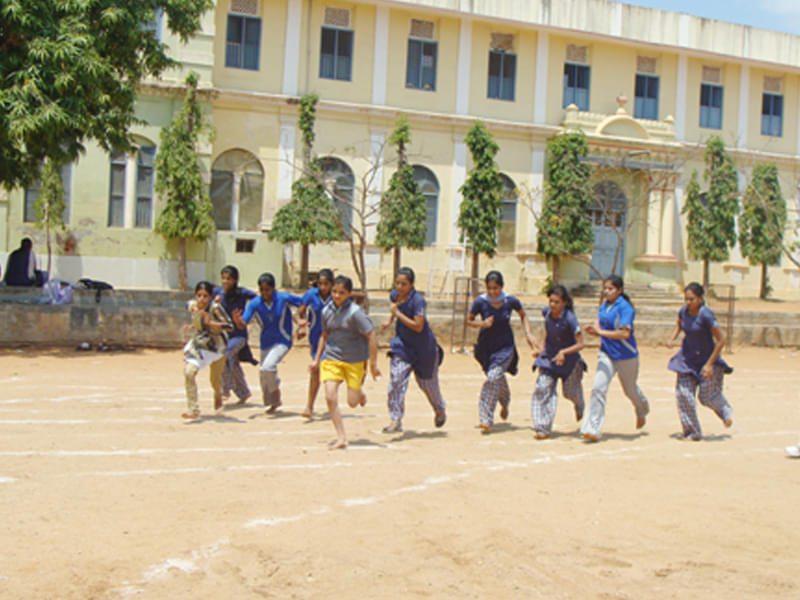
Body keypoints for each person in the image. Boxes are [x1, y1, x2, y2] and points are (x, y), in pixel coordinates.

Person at [310, 275, 380, 449]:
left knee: (352, 402)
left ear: (349, 293)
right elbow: (324, 336)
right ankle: (341, 437)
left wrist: (373, 364)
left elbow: (371, 335)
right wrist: (316, 359)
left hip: (354, 361)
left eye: (341, 292)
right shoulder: (326, 311)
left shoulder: (356, 313)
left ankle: (359, 392)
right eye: (334, 292)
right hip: (332, 358)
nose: (336, 296)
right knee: (330, 396)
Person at [581, 275, 650, 442]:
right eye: (605, 288)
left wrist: (600, 333)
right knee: (598, 388)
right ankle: (592, 428)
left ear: (619, 291)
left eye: (610, 289)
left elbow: (625, 333)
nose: (606, 292)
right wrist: (594, 328)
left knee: (630, 390)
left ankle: (641, 407)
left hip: (626, 356)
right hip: (607, 354)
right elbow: (600, 323)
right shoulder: (603, 307)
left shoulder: (625, 308)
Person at [467, 270, 536, 433]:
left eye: (496, 288)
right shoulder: (480, 302)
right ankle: (505, 401)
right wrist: (482, 324)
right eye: (489, 288)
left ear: (501, 287)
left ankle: (485, 418)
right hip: (486, 348)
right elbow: (468, 320)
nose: (492, 292)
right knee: (496, 378)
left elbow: (523, 315)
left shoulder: (509, 301)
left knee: (493, 377)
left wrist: (528, 333)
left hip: (505, 347)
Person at [379, 267, 446, 433]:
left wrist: (397, 314)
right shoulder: (394, 295)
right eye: (397, 283)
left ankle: (439, 409)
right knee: (396, 380)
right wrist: (389, 320)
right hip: (403, 346)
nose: (400, 287)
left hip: (424, 348)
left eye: (404, 284)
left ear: (412, 285)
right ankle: (395, 419)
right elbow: (395, 307)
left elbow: (418, 326)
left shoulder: (418, 301)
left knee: (428, 385)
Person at [667, 282, 733, 440]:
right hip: (687, 360)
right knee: (683, 394)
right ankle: (692, 431)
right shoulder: (683, 312)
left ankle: (724, 411)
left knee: (706, 397)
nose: (688, 303)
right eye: (686, 299)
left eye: (692, 299)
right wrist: (672, 338)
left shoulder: (706, 315)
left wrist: (710, 364)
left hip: (706, 360)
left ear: (700, 299)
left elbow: (722, 339)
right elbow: (679, 324)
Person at [238, 273, 302, 414]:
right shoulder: (255, 303)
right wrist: (238, 321)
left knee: (268, 367)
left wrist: (300, 319)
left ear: (273, 289)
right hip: (266, 342)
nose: (265, 293)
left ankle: (276, 393)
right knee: (263, 375)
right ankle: (271, 403)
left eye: (267, 290)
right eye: (262, 290)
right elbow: (244, 322)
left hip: (283, 340)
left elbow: (303, 302)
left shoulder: (283, 299)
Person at [530, 285, 586, 439]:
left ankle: (579, 403)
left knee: (569, 392)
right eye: (551, 301)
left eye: (556, 302)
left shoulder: (570, 319)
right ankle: (542, 427)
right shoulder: (546, 312)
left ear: (564, 303)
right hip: (549, 359)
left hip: (569, 361)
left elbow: (580, 344)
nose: (552, 305)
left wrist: (563, 352)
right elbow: (548, 331)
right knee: (542, 388)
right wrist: (542, 347)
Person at [182, 281, 232, 420]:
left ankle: (218, 396)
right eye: (199, 295)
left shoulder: (215, 308)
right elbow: (193, 313)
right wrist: (192, 325)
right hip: (201, 345)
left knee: (215, 381)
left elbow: (229, 326)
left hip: (217, 347)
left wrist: (210, 323)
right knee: (189, 372)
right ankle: (193, 409)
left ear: (210, 297)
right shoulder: (193, 306)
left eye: (205, 296)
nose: (201, 299)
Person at [213, 265, 257, 405]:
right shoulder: (217, 293)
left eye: (229, 279)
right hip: (224, 336)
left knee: (224, 355)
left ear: (235, 280)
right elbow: (203, 297)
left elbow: (258, 297)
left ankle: (225, 389)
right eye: (223, 278)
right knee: (233, 364)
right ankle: (243, 393)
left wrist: (249, 314)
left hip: (239, 336)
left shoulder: (242, 293)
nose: (225, 281)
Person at [295, 268, 335, 419]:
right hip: (315, 337)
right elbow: (298, 313)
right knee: (317, 370)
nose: (323, 287)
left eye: (326, 284)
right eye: (320, 284)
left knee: (319, 367)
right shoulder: (311, 295)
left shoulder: (336, 296)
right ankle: (310, 405)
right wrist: (300, 324)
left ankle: (313, 406)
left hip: (333, 338)